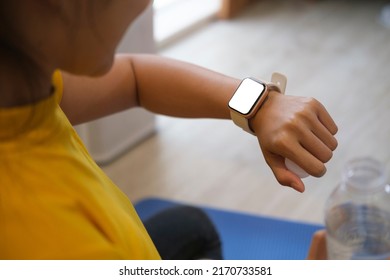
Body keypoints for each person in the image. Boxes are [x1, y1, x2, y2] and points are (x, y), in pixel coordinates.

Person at [0, 0, 338, 259]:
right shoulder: (62, 248)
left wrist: (259, 106)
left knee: (190, 227)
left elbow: (134, 77)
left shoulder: (24, 85)